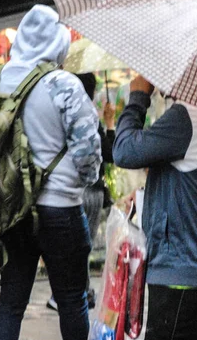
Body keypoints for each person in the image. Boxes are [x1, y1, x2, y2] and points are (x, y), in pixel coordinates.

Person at [0, 5, 101, 340]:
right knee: (71, 299)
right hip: (61, 209)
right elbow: (87, 151)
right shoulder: (64, 85)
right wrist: (84, 180)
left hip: (13, 209)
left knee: (10, 301)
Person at [113, 76, 197, 340]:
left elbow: (124, 151)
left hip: (183, 266)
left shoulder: (188, 117)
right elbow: (193, 181)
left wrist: (137, 98)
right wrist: (149, 195)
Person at [46, 73, 116, 311]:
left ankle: (66, 292)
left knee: (68, 247)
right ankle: (80, 292)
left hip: (62, 189)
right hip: (89, 190)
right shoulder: (86, 115)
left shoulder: (60, 113)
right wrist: (109, 124)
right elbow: (110, 154)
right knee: (81, 246)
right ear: (92, 91)